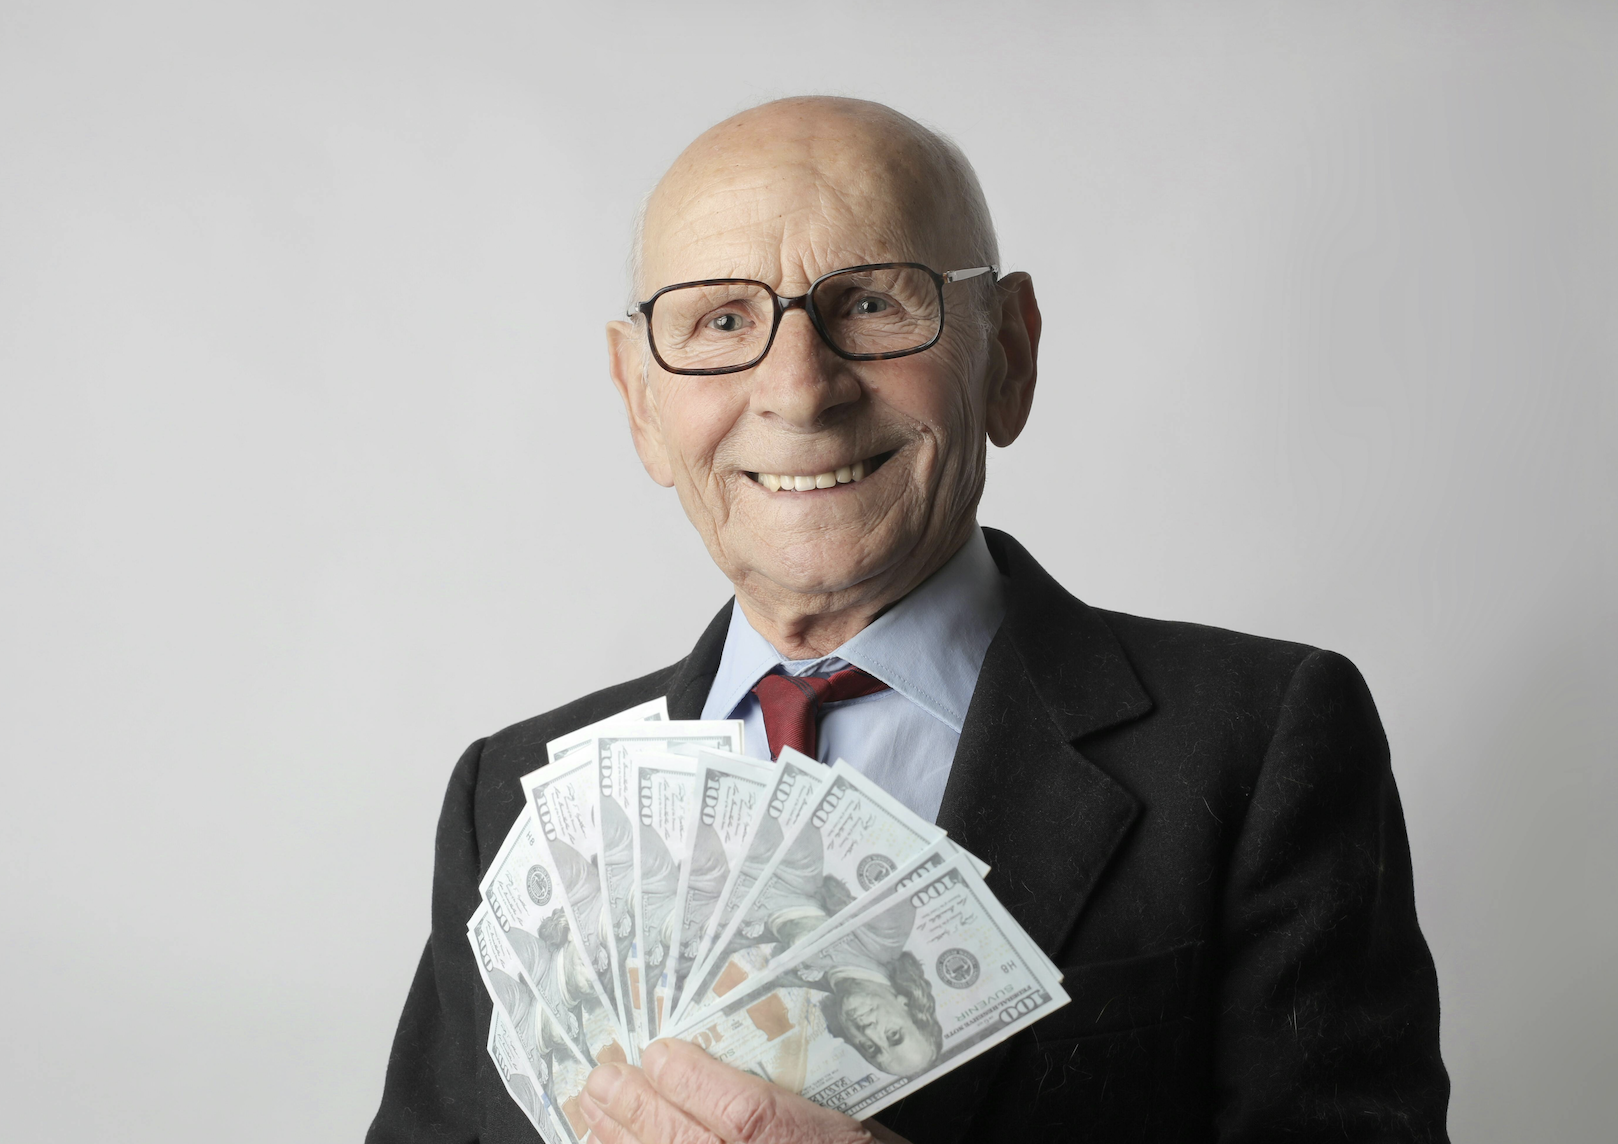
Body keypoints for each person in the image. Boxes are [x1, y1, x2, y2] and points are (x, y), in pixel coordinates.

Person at [368, 96, 1450, 1143]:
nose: (800, 389)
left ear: (1008, 353)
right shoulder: (505, 806)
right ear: (642, 403)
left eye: (873, 303)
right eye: (722, 318)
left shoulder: (1256, 743)